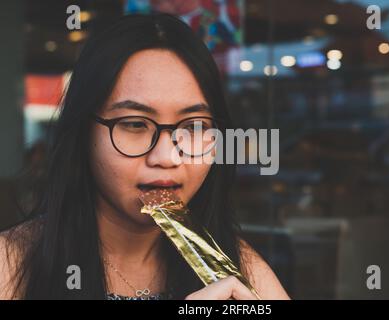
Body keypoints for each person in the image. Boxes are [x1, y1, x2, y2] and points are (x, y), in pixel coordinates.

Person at [0, 13, 289, 300]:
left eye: (193, 126)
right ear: (83, 133)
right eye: (136, 124)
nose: (166, 157)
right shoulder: (11, 265)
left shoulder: (243, 268)